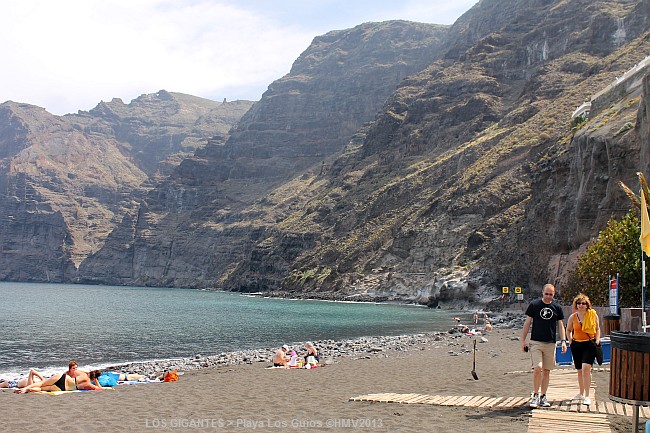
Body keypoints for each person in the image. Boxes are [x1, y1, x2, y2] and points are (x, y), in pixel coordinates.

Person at [521, 283, 567, 408]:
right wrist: (523, 340)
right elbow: (527, 323)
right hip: (536, 342)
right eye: (546, 294)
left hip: (550, 343)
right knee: (538, 368)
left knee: (546, 371)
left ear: (554, 294)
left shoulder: (557, 307)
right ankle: (535, 395)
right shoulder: (534, 305)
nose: (548, 296)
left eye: (550, 294)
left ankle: (543, 396)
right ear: (542, 292)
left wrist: (563, 341)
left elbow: (561, 325)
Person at [566, 294, 600, 406]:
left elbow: (598, 329)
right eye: (579, 303)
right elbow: (568, 330)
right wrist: (570, 341)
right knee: (579, 370)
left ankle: (587, 395)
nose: (581, 305)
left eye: (583, 303)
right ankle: (581, 392)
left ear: (587, 305)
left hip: (589, 344)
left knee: (586, 368)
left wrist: (597, 340)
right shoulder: (573, 317)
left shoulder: (592, 315)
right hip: (577, 345)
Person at [16, 360, 103, 393]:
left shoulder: (83, 374)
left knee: (41, 383)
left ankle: (25, 388)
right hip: (63, 388)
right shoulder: (89, 384)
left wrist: (88, 373)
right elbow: (99, 389)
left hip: (63, 378)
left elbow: (74, 370)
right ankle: (28, 389)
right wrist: (96, 381)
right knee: (43, 389)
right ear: (94, 378)